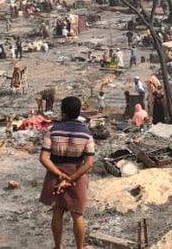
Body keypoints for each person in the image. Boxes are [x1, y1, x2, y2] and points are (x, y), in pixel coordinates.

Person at [39, 96, 96, 249]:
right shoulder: (86, 133)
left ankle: (58, 247)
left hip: (54, 174)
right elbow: (89, 162)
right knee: (77, 214)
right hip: (77, 175)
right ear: (78, 112)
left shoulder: (52, 130)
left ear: (62, 111)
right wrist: (71, 178)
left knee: (57, 210)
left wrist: (59, 175)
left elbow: (44, 158)